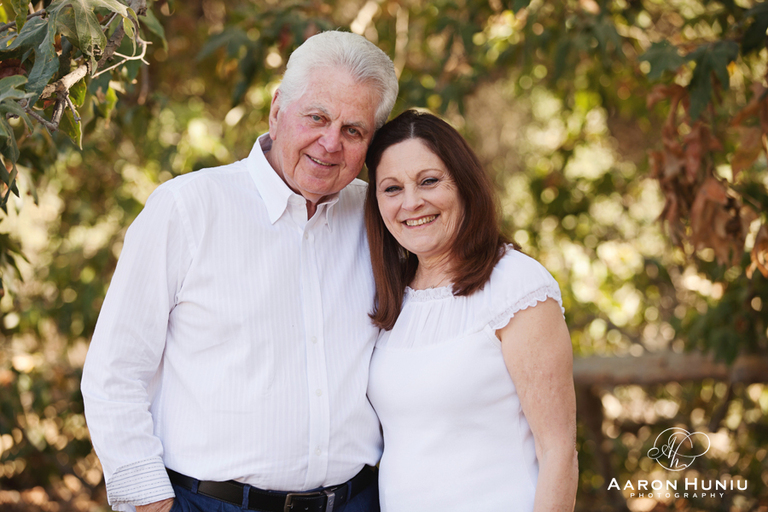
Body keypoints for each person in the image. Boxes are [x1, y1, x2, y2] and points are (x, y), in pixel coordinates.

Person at [81, 31, 398, 512]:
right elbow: (114, 373)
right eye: (317, 117)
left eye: (354, 130)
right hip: (209, 503)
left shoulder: (381, 216)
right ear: (277, 110)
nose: (330, 143)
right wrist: (149, 502)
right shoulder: (187, 208)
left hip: (357, 500)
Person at [364, 109, 578, 512]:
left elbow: (559, 450)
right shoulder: (393, 297)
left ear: (464, 184)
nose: (411, 202)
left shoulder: (517, 284)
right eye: (391, 188)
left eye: (429, 181)